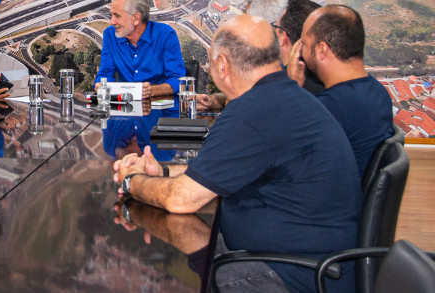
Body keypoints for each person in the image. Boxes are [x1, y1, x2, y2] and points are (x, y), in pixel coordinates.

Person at [113, 15, 361, 293]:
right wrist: (163, 171)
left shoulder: (251, 113)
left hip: (289, 277)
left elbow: (180, 199)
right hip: (303, 263)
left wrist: (130, 180)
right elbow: (218, 171)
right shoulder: (280, 98)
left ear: (222, 65)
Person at [288, 4, 393, 180]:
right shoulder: (379, 92)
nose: (300, 53)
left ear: (322, 49)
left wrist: (291, 88)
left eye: (303, 44)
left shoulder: (333, 106)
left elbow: (283, 150)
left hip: (325, 203)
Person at [197, 0, 322, 112]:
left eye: (275, 27)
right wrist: (216, 100)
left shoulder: (279, 81)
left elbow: (248, 105)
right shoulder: (313, 77)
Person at [94, 0, 185, 98]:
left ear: (136, 18)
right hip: (125, 107)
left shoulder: (165, 34)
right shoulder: (110, 34)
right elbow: (105, 72)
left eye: (117, 16)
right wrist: (100, 84)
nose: (112, 22)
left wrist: (153, 90)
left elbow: (178, 79)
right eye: (111, 16)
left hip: (160, 107)